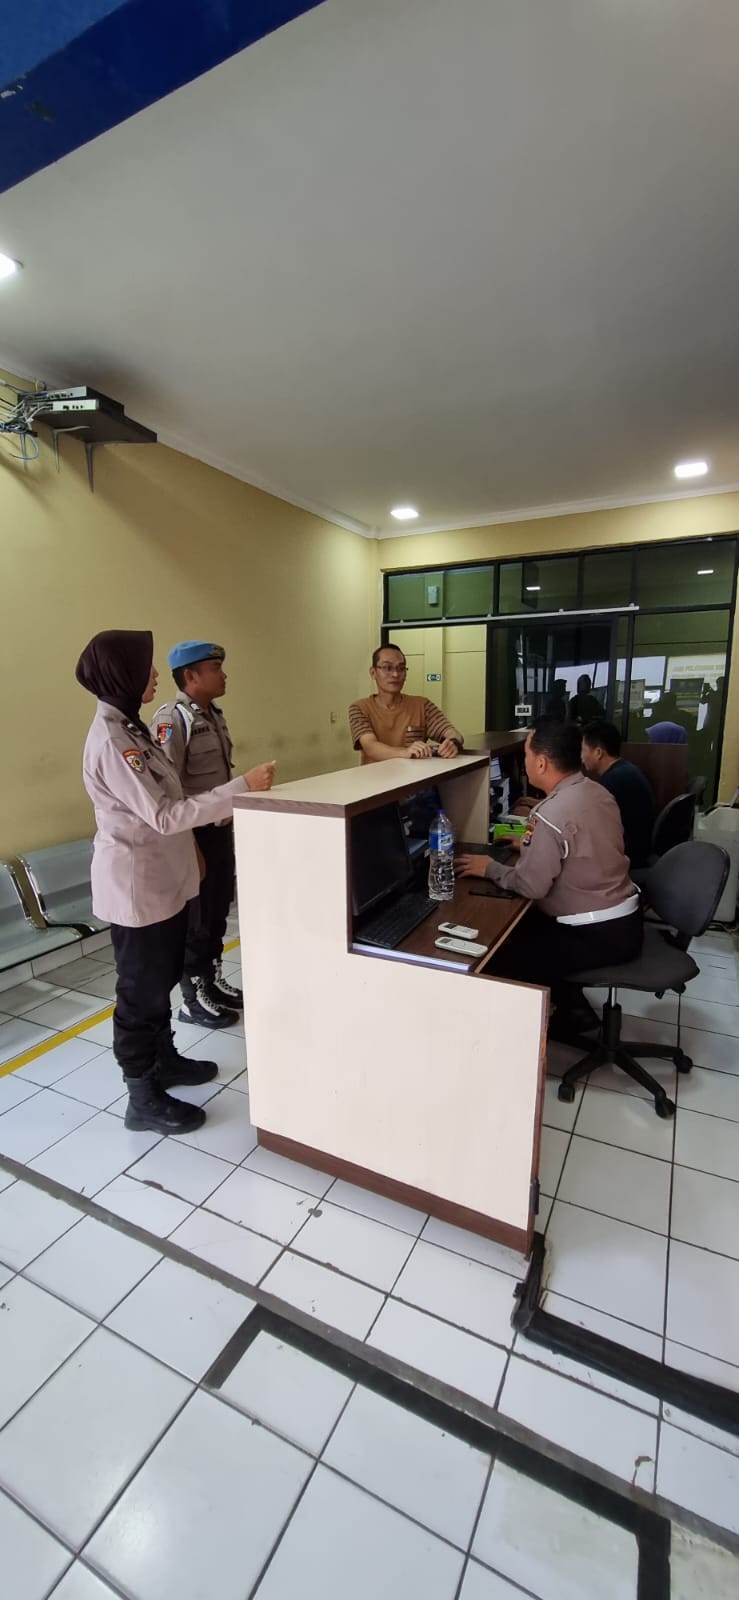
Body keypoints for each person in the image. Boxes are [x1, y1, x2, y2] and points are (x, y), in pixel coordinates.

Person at [76, 630, 275, 1135]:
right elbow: (165, 814)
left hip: (162, 879)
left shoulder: (131, 728)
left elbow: (170, 802)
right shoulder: (113, 740)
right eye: (144, 666)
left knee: (161, 979)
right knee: (139, 993)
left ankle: (164, 1060)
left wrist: (193, 857)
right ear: (120, 673)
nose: (154, 674)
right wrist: (241, 789)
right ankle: (141, 1095)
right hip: (137, 887)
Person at [458, 717, 641, 1031]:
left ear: (541, 763)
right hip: (627, 922)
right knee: (525, 926)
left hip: (594, 935)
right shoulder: (598, 792)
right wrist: (533, 844)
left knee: (495, 958)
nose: (526, 763)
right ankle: (574, 1007)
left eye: (526, 756)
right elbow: (585, 842)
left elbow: (531, 886)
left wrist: (490, 868)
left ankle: (542, 1026)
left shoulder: (548, 814)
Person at [153, 640, 245, 1028]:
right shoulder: (172, 719)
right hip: (194, 837)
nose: (223, 675)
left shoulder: (213, 715)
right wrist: (189, 846)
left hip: (219, 831)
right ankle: (193, 999)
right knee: (198, 920)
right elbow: (167, 789)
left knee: (218, 912)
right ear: (191, 675)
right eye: (215, 668)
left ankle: (212, 979)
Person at [349, 644, 464, 763]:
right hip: (375, 774)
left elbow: (454, 734)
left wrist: (452, 743)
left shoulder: (422, 705)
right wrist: (405, 752)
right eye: (387, 668)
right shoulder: (360, 708)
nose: (395, 674)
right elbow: (370, 747)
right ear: (373, 673)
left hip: (415, 774)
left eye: (401, 668)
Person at [581, 720, 655, 868]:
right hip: (640, 849)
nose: (581, 756)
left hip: (627, 856)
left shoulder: (612, 781)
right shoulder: (627, 770)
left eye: (583, 750)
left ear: (598, 753)